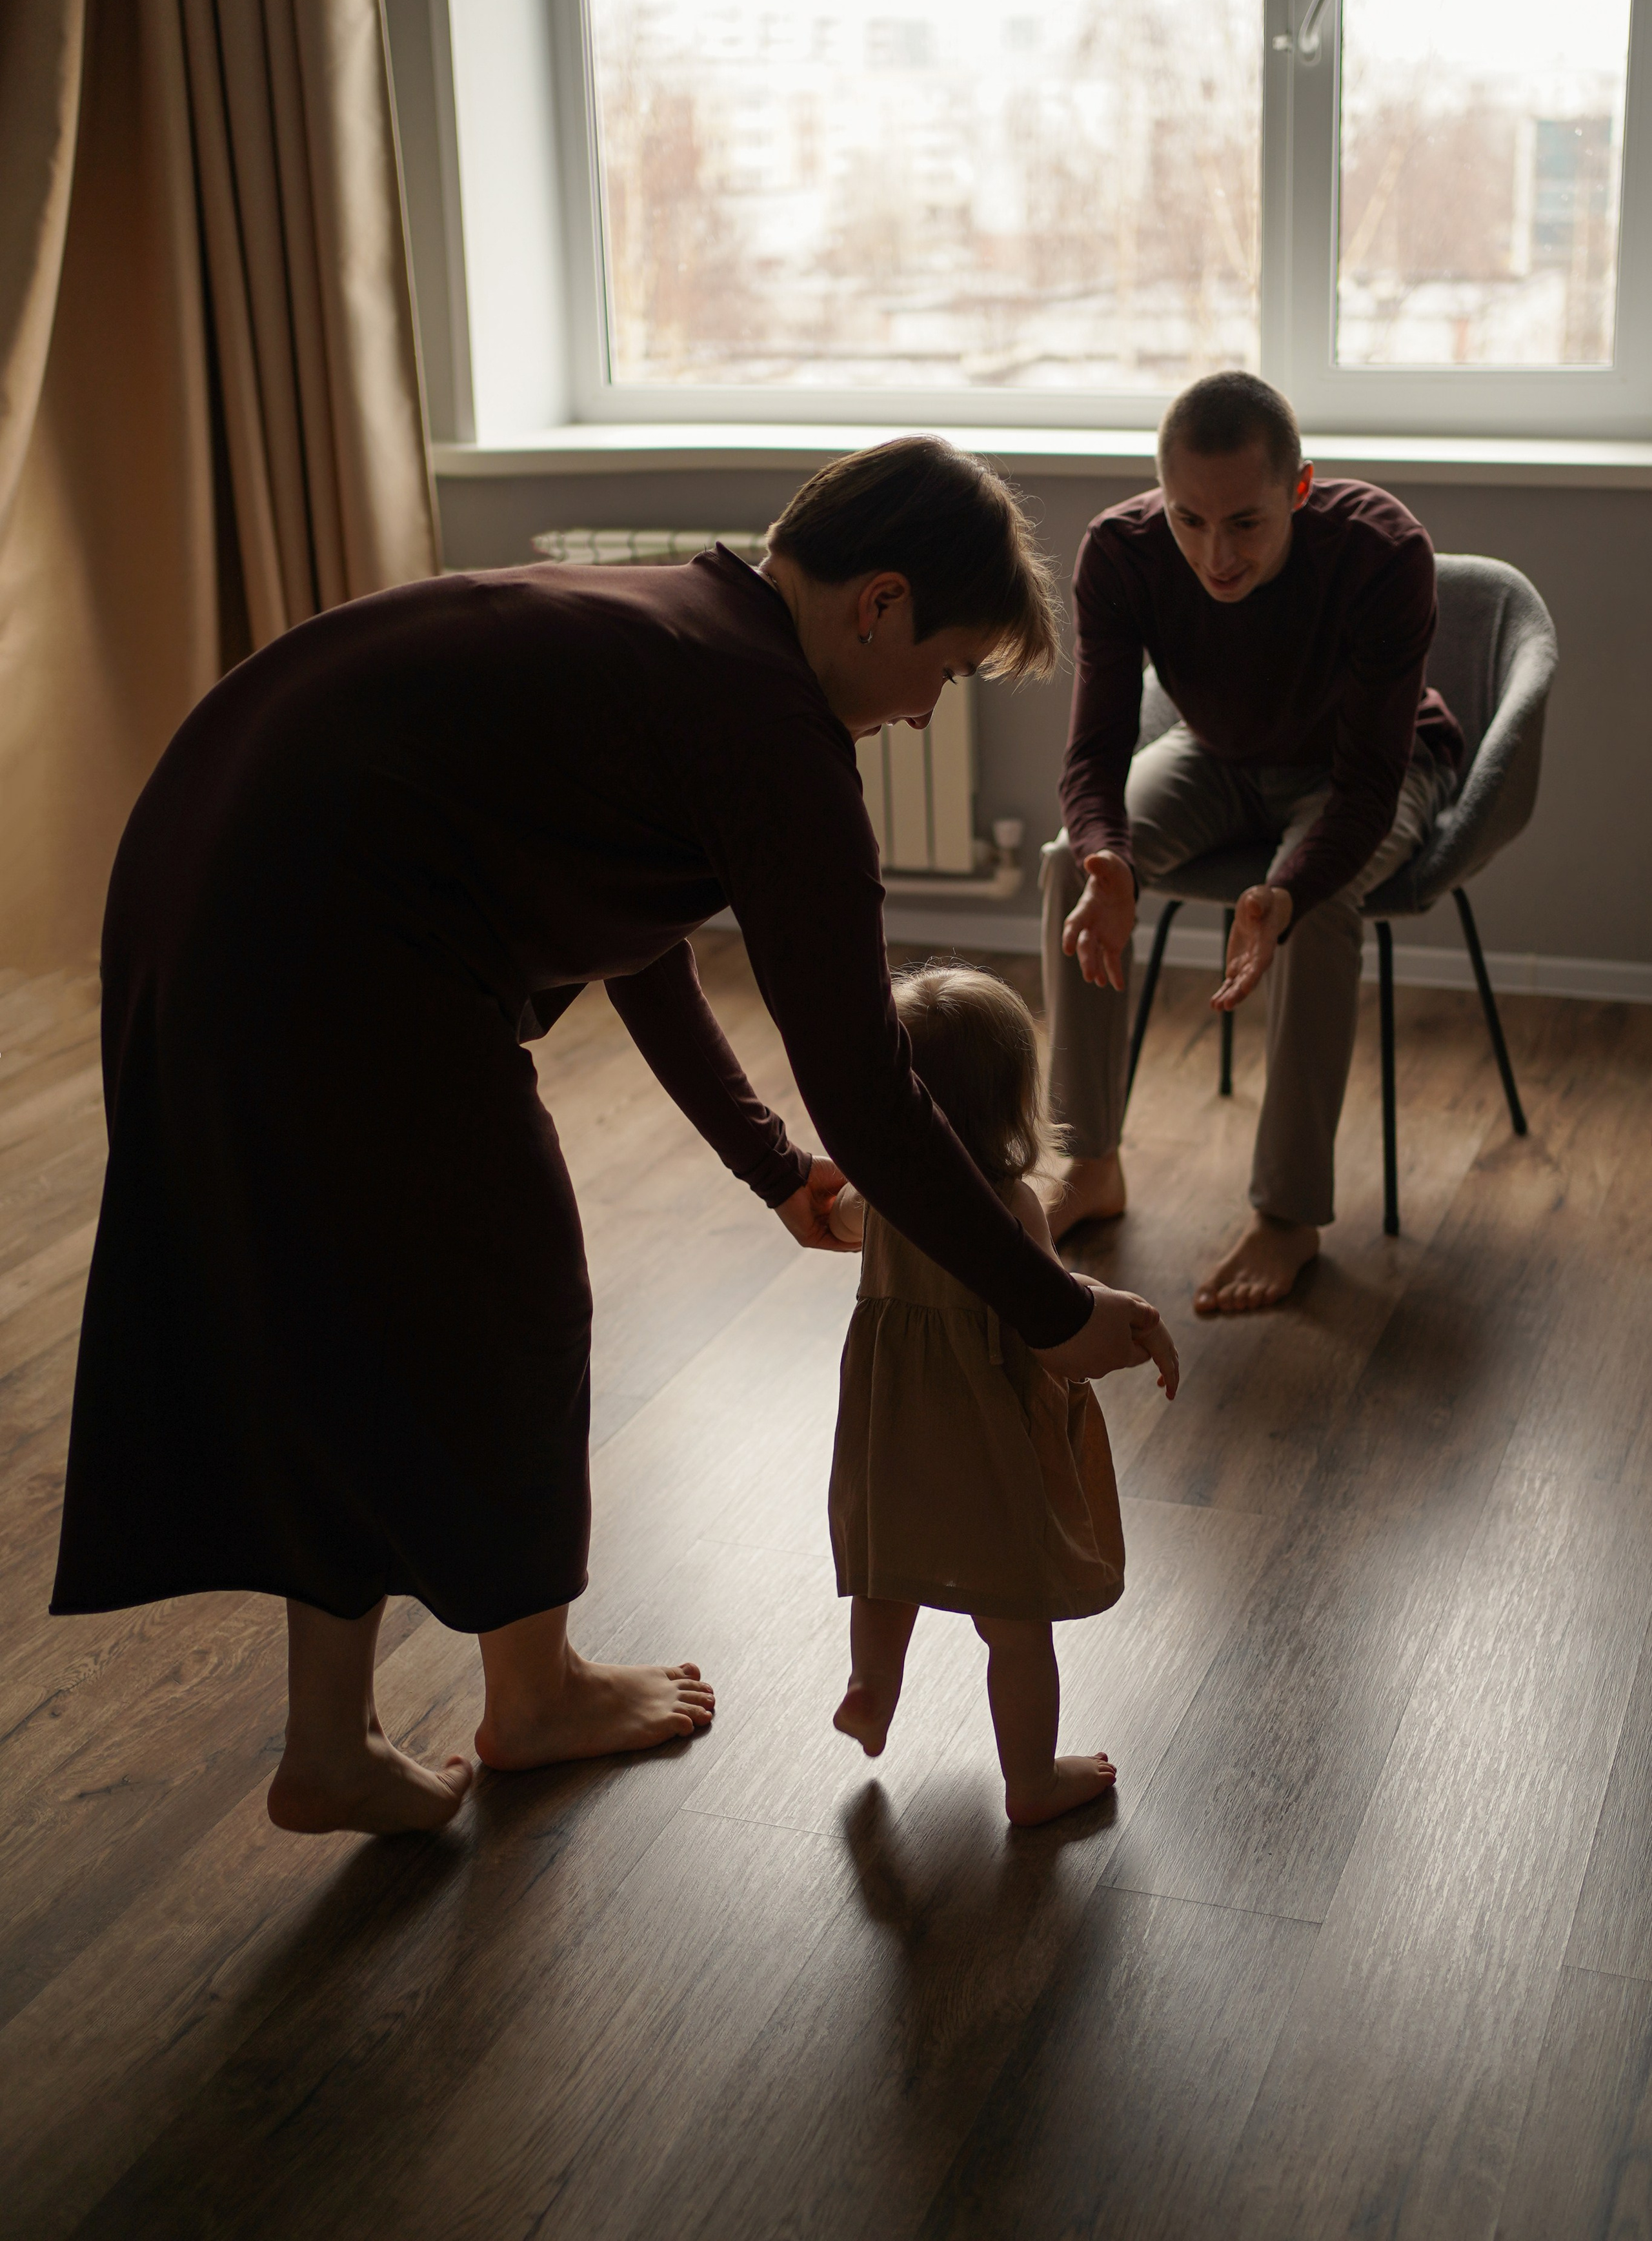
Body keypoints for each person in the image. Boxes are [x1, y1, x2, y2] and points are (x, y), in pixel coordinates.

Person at [52, 435, 1161, 1840]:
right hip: (322, 937)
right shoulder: (771, 728)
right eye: (941, 672)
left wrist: (766, 1168)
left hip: (201, 884)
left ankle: (342, 1744)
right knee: (508, 1297)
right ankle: (533, 1696)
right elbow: (870, 1088)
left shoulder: (686, 636)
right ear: (877, 605)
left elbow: (638, 938)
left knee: (356, 1318)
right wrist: (1046, 1308)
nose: (927, 714)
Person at [1042, 372, 1463, 1313]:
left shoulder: (1382, 551)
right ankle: (1090, 1161)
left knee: (1319, 904)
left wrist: (1288, 892)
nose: (1215, 554)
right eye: (1190, 520)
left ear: (1300, 490)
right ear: (1162, 495)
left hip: (1362, 769)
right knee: (1071, 863)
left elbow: (1364, 790)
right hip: (1218, 753)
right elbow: (1096, 753)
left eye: (1245, 523)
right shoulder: (1121, 551)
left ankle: (1288, 1215)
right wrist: (1107, 858)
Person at [827, 966, 1178, 1827]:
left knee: (887, 1569)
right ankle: (1030, 1783)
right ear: (1015, 1104)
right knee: (1017, 1625)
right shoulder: (1015, 1204)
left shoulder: (875, 1195)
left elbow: (836, 1220)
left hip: (891, 1423)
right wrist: (1125, 1315)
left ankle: (871, 1689)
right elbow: (1046, 1308)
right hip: (985, 1431)